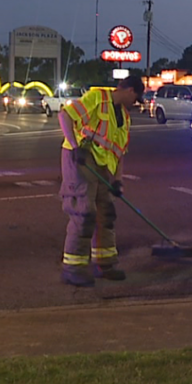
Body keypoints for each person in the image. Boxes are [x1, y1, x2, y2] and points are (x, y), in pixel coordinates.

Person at [57, 77, 145, 287]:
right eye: (136, 98)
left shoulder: (123, 116)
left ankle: (105, 264)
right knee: (84, 211)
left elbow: (119, 152)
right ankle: (72, 268)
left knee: (106, 213)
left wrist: (117, 181)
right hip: (81, 158)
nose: (136, 103)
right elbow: (65, 116)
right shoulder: (98, 97)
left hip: (104, 166)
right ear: (130, 90)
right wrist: (74, 146)